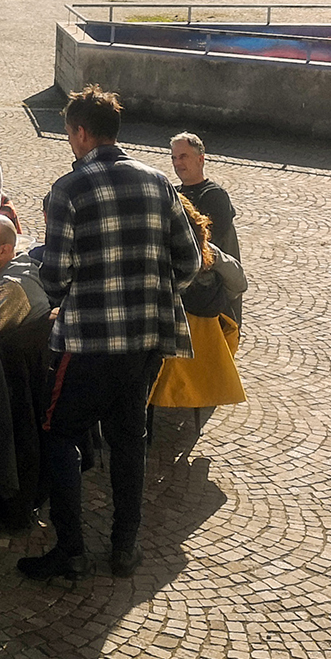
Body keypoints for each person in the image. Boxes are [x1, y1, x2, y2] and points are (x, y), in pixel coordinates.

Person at [19, 86, 200, 583]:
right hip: (145, 341)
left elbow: (56, 275)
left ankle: (70, 549)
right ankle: (124, 547)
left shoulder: (69, 188)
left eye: (68, 134)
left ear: (80, 133)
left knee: (59, 434)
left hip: (88, 343)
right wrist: (151, 295)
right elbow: (189, 261)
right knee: (129, 439)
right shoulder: (158, 181)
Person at [149, 195, 247, 445]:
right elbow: (239, 283)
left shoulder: (154, 256)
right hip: (204, 358)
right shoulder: (209, 256)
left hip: (159, 359)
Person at [169, 132, 239, 261]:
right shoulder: (172, 192)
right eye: (174, 158)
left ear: (200, 159)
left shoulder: (215, 196)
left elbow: (207, 243)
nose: (177, 163)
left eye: (183, 156)